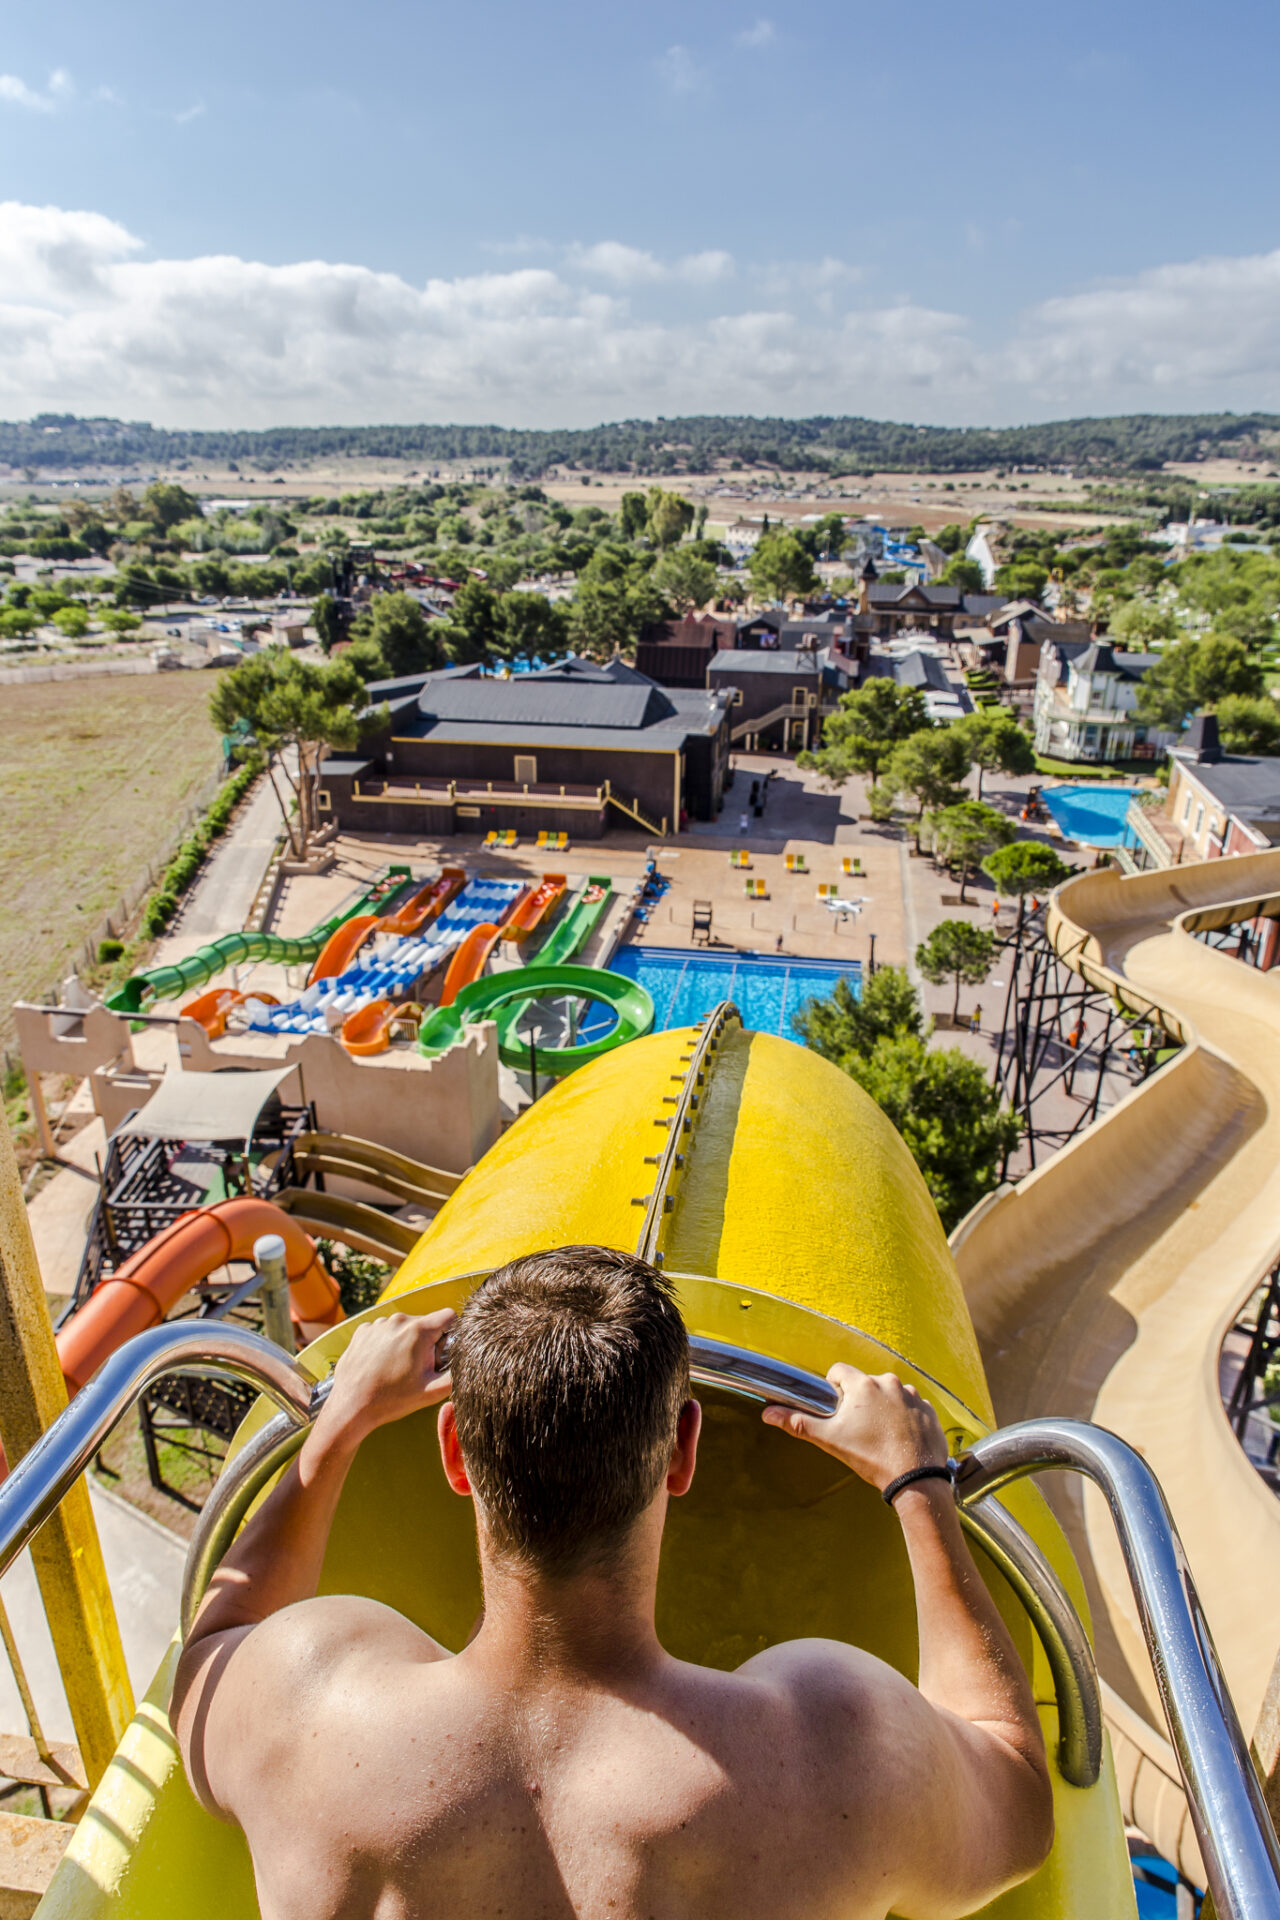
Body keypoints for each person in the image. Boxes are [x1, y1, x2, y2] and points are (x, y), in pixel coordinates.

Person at [175, 1247, 1053, 1920]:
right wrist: (920, 1485)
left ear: (453, 1452)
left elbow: (207, 1656)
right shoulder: (838, 1743)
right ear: (684, 1452)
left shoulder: (306, 1699)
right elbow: (1017, 1801)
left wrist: (338, 1427)